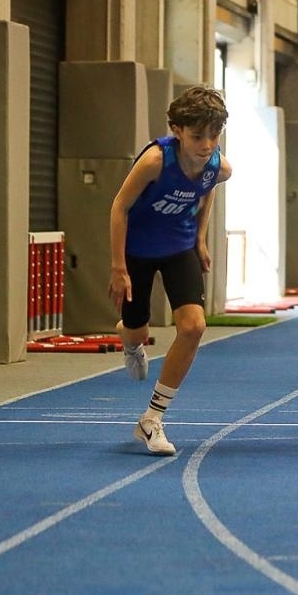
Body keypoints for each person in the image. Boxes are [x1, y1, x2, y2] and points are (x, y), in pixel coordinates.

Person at [108, 86, 233, 457]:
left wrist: (199, 237)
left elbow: (208, 187)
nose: (207, 144)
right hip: (137, 252)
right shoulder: (155, 162)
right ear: (177, 130)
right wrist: (118, 267)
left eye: (214, 135)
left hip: (178, 249)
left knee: (194, 326)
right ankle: (129, 338)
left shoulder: (218, 166)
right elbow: (119, 207)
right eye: (197, 136)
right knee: (139, 329)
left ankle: (151, 419)